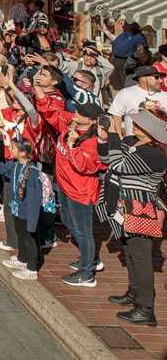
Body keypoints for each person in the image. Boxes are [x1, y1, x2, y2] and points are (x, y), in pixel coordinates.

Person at [101, 110, 167, 326]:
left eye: (141, 127)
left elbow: (118, 164)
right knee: (129, 252)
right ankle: (134, 293)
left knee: (141, 259)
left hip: (141, 210)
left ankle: (146, 309)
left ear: (153, 134)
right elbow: (106, 158)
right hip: (124, 208)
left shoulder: (154, 155)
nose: (135, 128)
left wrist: (112, 133)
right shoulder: (133, 142)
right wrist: (105, 138)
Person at [49, 103, 104, 287]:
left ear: (93, 121)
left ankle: (87, 273)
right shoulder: (69, 126)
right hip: (65, 186)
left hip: (81, 192)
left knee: (83, 232)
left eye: (82, 113)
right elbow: (46, 109)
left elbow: (83, 166)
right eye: (78, 111)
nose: (77, 114)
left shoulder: (92, 142)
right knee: (66, 221)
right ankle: (89, 258)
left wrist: (72, 146)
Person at [0, 137, 45, 281]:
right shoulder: (15, 165)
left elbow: (34, 199)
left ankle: (31, 269)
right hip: (17, 210)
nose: (10, 150)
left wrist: (32, 221)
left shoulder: (32, 172)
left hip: (27, 213)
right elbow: (2, 169)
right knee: (20, 235)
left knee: (29, 239)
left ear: (22, 153)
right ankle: (22, 258)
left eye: (12, 148)